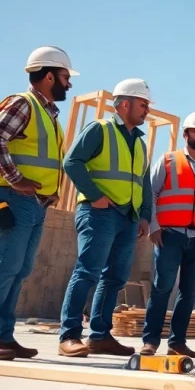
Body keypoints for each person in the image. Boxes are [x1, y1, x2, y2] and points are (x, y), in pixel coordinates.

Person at [0, 46, 77, 360]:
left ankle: (2, 335)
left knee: (18, 268)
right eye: (65, 77)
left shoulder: (48, 114)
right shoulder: (24, 103)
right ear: (47, 76)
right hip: (11, 196)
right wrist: (15, 178)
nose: (68, 84)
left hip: (32, 202)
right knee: (5, 265)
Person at [57, 78, 154, 358]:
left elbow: (143, 181)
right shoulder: (100, 129)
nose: (146, 109)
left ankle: (100, 335)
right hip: (99, 213)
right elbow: (72, 162)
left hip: (128, 217)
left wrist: (144, 215)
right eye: (143, 104)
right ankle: (70, 335)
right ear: (125, 104)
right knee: (87, 271)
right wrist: (95, 195)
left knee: (115, 278)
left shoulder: (139, 142)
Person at [139, 111, 195, 357]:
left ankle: (177, 342)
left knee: (189, 292)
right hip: (170, 235)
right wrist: (154, 227)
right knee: (162, 287)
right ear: (186, 134)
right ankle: (150, 341)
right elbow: (151, 194)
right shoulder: (167, 160)